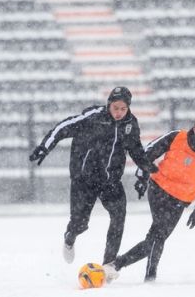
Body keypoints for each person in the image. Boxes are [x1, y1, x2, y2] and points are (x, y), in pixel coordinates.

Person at [29, 86, 158, 265]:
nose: (119, 112)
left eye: (123, 108)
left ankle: (108, 263)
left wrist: (146, 172)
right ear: (108, 105)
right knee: (80, 223)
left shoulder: (130, 124)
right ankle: (70, 237)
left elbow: (136, 150)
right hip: (84, 180)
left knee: (118, 217)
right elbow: (64, 127)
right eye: (115, 108)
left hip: (110, 181)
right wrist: (46, 146)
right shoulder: (94, 117)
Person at [103, 112, 195, 283]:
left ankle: (117, 265)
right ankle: (147, 275)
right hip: (159, 188)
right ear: (194, 126)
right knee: (158, 235)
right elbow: (150, 152)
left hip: (181, 199)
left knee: (156, 237)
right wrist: (142, 177)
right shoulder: (177, 136)